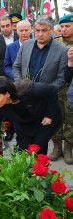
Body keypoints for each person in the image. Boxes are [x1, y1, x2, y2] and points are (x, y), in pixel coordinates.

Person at [0, 76, 61, 156]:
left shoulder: (30, 90)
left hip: (44, 118)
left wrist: (50, 115)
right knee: (24, 150)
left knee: (36, 148)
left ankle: (40, 166)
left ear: (7, 94)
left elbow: (53, 90)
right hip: (25, 121)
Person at [12, 15, 68, 90]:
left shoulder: (62, 51)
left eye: (44, 30)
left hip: (46, 97)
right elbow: (16, 67)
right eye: (37, 30)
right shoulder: (26, 45)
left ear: (52, 30)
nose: (40, 34)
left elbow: (61, 78)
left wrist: (43, 90)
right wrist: (21, 85)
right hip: (25, 94)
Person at [50, 14, 73, 164]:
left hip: (71, 89)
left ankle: (68, 148)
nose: (63, 29)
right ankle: (56, 146)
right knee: (56, 115)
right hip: (58, 87)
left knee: (71, 117)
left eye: (67, 26)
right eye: (62, 26)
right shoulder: (55, 43)